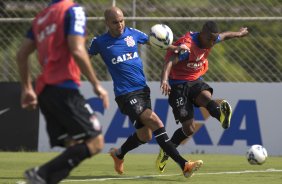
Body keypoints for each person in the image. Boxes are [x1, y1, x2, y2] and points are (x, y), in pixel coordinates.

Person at [88, 6, 203, 178]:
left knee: (145, 135)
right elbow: (82, 56)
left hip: (142, 91)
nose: (119, 25)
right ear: (107, 23)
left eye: (121, 21)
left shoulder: (132, 33)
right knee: (156, 122)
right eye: (115, 22)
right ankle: (184, 164)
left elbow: (154, 41)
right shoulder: (100, 42)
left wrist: (174, 48)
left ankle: (118, 154)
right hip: (125, 94)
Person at [16, 0, 109, 183]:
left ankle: (43, 179)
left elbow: (21, 54)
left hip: (45, 91)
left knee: (73, 146)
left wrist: (27, 88)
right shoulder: (73, 11)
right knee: (95, 142)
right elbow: (76, 49)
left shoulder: (41, 17)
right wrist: (96, 84)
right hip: (64, 89)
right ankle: (40, 173)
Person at [156, 21, 249, 172]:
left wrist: (239, 33)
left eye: (214, 40)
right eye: (210, 39)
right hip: (178, 85)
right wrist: (165, 80)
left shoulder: (210, 39)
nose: (212, 43)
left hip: (194, 80)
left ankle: (221, 116)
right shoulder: (188, 46)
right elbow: (169, 62)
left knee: (206, 98)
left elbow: (224, 36)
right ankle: (167, 150)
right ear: (203, 33)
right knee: (189, 128)